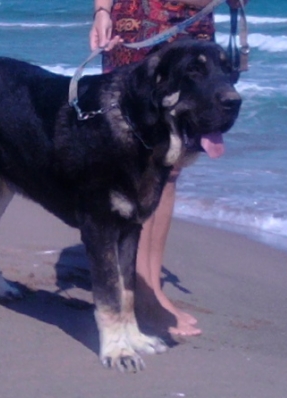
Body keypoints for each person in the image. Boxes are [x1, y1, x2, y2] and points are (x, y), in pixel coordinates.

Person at [90, 0, 246, 336]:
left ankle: (151, 285)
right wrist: (102, 10)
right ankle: (141, 291)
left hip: (194, 19)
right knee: (134, 149)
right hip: (142, 16)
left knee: (172, 162)